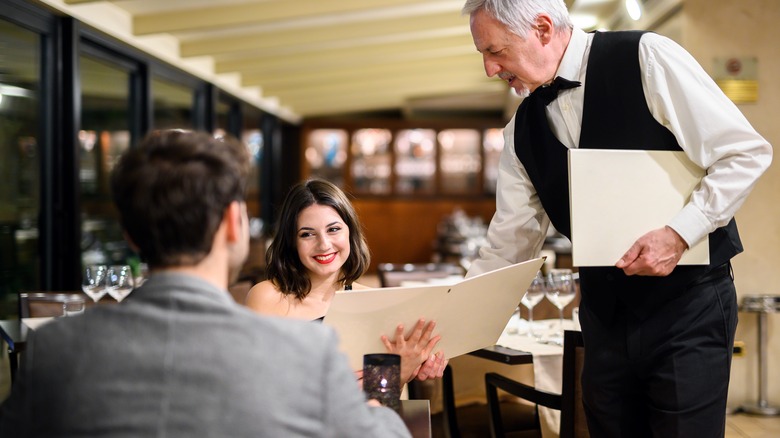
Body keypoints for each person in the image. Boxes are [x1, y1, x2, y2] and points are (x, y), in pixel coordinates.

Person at [461, 0, 772, 436]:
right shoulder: (520, 132)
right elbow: (508, 247)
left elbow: (743, 153)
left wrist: (680, 234)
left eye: (495, 51)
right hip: (603, 319)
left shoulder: (646, 56)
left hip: (688, 307)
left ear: (543, 29)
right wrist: (450, 327)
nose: (490, 69)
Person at [0, 130, 411, 437]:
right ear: (234, 224)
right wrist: (390, 379)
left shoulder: (54, 350)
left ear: (129, 235)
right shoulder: (304, 350)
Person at [246, 178, 448, 384]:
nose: (324, 244)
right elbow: (260, 388)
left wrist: (414, 367)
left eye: (333, 229)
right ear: (291, 243)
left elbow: (377, 399)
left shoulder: (371, 301)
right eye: (307, 234)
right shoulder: (266, 298)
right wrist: (394, 374)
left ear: (350, 232)